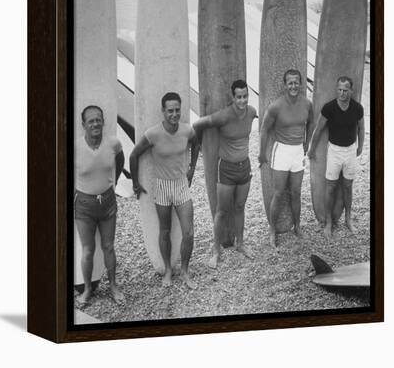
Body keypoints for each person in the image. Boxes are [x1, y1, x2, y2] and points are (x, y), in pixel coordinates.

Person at [129, 92, 199, 289]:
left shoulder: (187, 130)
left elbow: (196, 143)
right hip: (161, 186)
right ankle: (168, 270)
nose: (174, 114)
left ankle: (185, 271)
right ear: (163, 111)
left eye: (177, 110)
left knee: (189, 232)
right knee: (165, 230)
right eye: (170, 111)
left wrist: (192, 168)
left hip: (181, 185)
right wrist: (135, 183)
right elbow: (134, 155)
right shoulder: (153, 134)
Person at [193, 79, 257, 269]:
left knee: (239, 207)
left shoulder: (252, 112)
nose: (242, 101)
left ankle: (241, 243)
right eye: (238, 97)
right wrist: (199, 146)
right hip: (226, 169)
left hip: (244, 166)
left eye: (245, 96)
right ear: (233, 97)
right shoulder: (224, 116)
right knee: (222, 211)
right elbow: (198, 125)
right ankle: (216, 250)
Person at [74, 105, 125, 305]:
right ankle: (87, 289)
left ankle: (113, 286)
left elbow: (120, 159)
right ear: (83, 125)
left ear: (103, 121)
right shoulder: (75, 147)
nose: (95, 123)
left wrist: (116, 180)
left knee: (109, 247)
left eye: (98, 120)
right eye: (91, 121)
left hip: (108, 203)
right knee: (88, 249)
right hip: (84, 206)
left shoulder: (113, 143)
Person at [258, 69, 314, 248]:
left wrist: (307, 141)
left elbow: (311, 122)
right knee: (279, 192)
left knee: (296, 192)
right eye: (290, 83)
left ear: (301, 84)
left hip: (298, 151)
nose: (293, 86)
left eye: (296, 82)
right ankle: (273, 231)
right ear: (285, 85)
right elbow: (265, 129)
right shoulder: (276, 106)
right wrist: (261, 153)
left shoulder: (307, 104)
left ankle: (297, 227)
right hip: (281, 151)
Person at [308, 76, 365, 239]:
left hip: (350, 151)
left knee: (348, 186)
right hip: (334, 151)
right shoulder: (329, 108)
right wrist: (312, 149)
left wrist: (360, 146)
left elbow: (361, 129)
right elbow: (318, 129)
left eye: (345, 90)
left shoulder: (357, 108)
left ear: (351, 91)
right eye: (339, 90)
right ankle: (328, 223)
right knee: (331, 186)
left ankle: (348, 219)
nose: (342, 93)